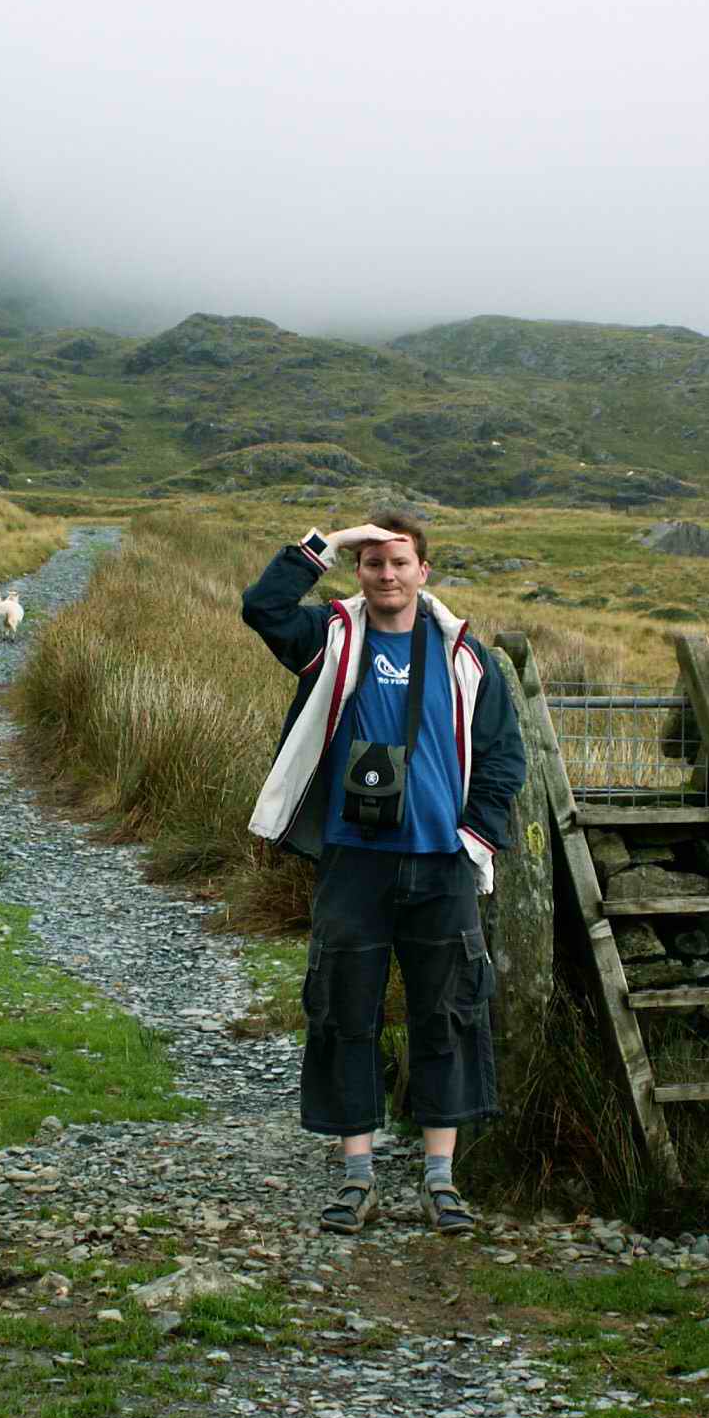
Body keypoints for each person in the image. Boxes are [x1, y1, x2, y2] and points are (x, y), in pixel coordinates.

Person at [241, 513, 526, 1235]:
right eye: (372, 563)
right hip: (353, 861)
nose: (387, 574)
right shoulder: (329, 638)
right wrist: (330, 542)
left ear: (423, 571)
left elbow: (503, 757)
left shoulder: (466, 656)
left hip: (441, 863)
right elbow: (263, 607)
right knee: (345, 1010)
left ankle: (441, 1179)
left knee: (448, 1013)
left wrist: (473, 838)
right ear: (359, 572)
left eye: (399, 562)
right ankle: (357, 1176)